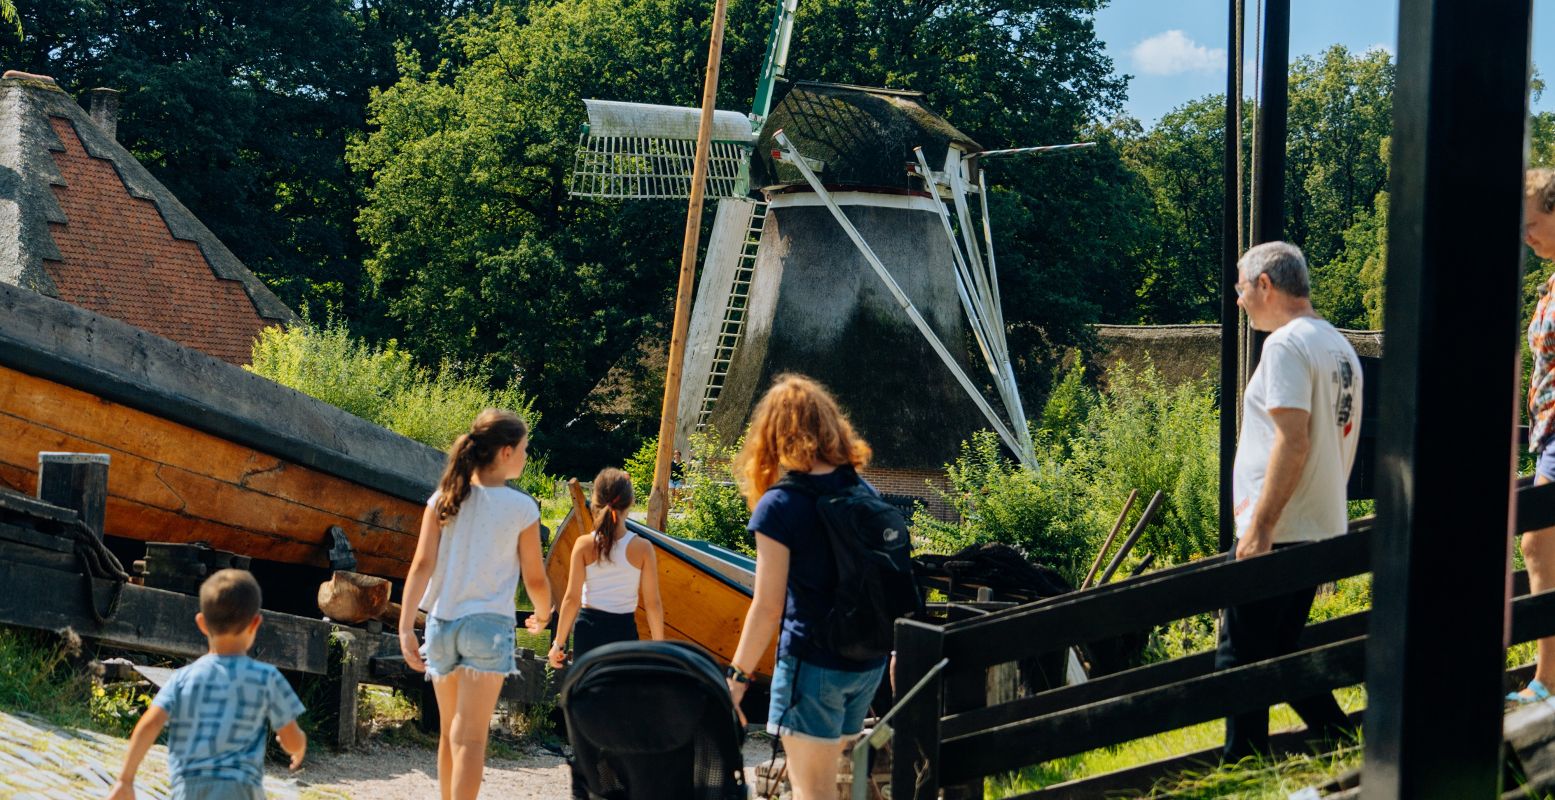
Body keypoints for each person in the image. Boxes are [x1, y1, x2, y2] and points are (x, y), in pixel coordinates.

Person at [1218, 241, 1362, 761]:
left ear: (1264, 285)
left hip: (1281, 529)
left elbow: (1293, 440)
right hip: (1318, 527)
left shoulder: (1284, 345)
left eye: (1240, 288)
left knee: (1237, 655)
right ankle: (1342, 737)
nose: (1238, 301)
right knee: (1277, 649)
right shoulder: (1336, 346)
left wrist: (1259, 528)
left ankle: (1241, 762)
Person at [726, 374, 886, 800]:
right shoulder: (863, 491)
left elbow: (768, 607)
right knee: (828, 786)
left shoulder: (781, 505)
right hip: (864, 663)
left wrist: (737, 679)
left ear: (773, 434)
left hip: (813, 663)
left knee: (810, 791)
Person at [398, 408, 552, 800]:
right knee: (471, 737)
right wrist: (544, 611)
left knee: (450, 732)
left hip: (441, 623)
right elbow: (534, 578)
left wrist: (404, 627)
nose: (525, 456)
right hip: (488, 627)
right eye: (523, 448)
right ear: (504, 452)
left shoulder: (442, 500)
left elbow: (421, 566)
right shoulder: (522, 508)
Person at [107, 569, 306, 800]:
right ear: (255, 623)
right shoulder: (267, 678)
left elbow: (149, 726)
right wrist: (297, 747)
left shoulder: (182, 678)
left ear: (201, 623)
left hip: (190, 789)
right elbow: (290, 734)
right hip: (241, 790)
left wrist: (125, 779)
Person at [1511, 167, 1555, 704]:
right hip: (1546, 434)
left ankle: (1546, 682)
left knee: (1538, 544)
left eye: (1531, 223)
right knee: (1541, 547)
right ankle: (1547, 679)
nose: (1525, 236)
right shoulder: (1550, 281)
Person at [548, 466, 666, 668]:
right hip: (623, 632)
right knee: (620, 697)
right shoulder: (643, 548)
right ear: (629, 504)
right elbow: (653, 604)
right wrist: (660, 651)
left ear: (594, 503)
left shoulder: (584, 545)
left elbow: (571, 598)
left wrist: (558, 644)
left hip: (588, 632)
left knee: (587, 695)